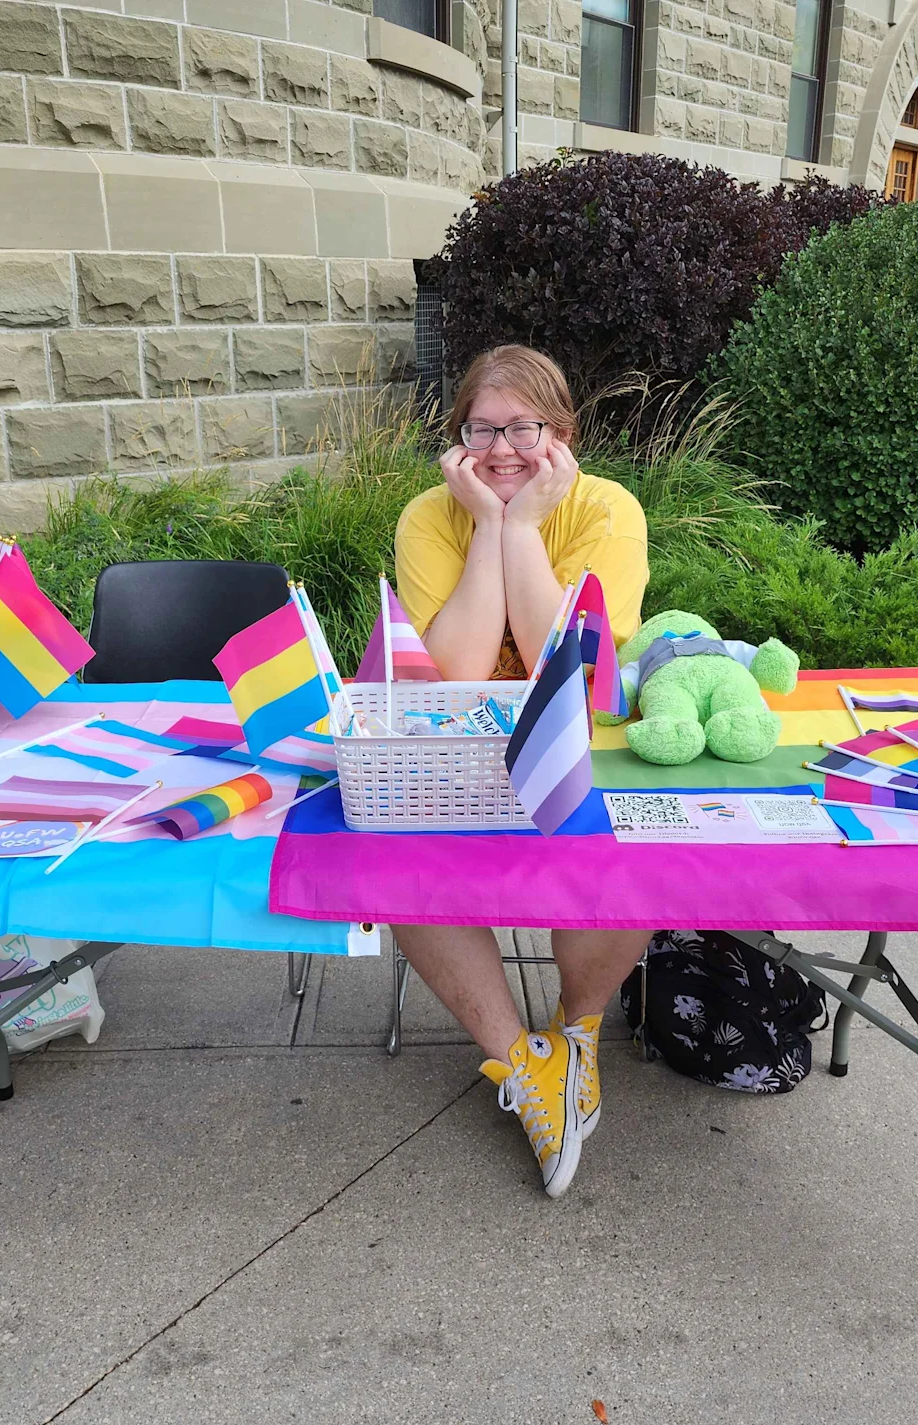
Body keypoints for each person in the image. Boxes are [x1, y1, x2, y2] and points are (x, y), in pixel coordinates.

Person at [392, 345, 652, 1198]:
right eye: (483, 428)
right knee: (402, 866)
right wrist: (492, 529)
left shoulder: (607, 510)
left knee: (618, 854)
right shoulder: (430, 516)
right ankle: (525, 1064)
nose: (502, 448)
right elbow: (460, 673)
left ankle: (577, 1033)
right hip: (461, 753)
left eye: (523, 428)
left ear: (561, 434)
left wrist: (526, 527)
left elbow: (564, 666)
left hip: (575, 748)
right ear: (459, 436)